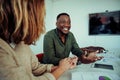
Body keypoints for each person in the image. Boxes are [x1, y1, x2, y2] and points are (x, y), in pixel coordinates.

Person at [0, 1, 78, 80]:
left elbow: (36, 67)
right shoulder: (2, 49)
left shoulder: (22, 44)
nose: (41, 22)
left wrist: (63, 66)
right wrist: (61, 69)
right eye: (39, 17)